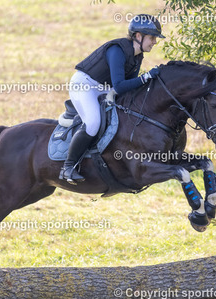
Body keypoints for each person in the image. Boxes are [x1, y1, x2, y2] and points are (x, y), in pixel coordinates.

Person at [59, 14, 165, 183]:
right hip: (85, 85)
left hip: (104, 87)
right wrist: (146, 77)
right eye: (152, 38)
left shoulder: (137, 55)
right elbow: (120, 86)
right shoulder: (117, 50)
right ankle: (68, 167)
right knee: (93, 123)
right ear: (138, 36)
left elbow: (128, 88)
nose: (154, 42)